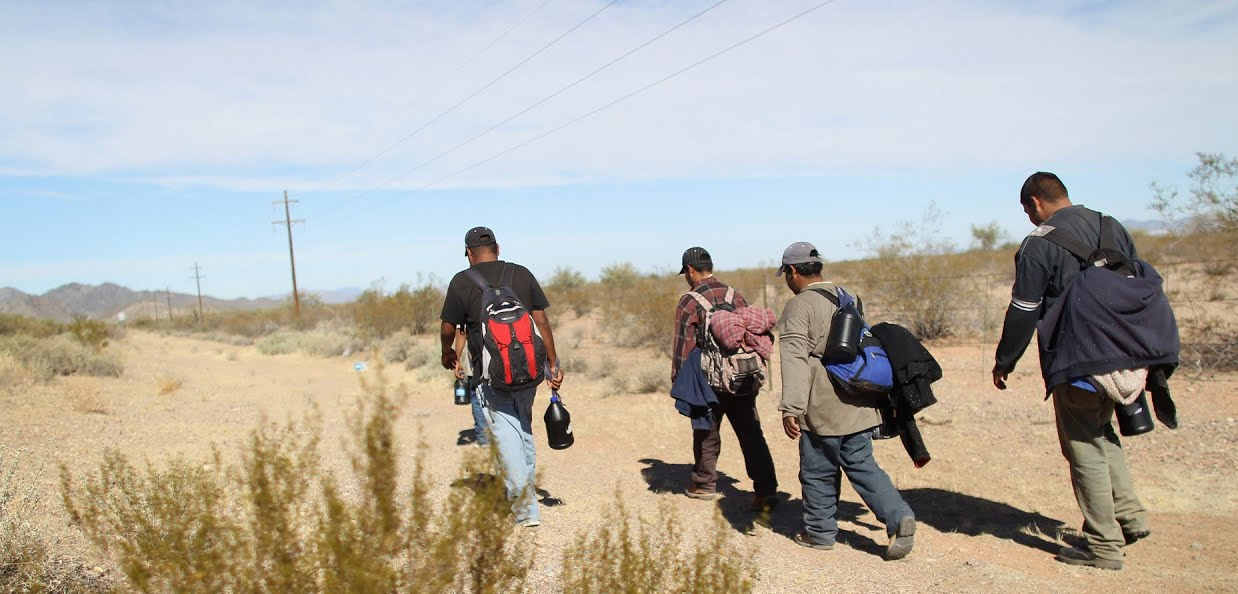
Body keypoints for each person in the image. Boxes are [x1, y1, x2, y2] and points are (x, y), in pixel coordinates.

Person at [992, 172, 1149, 570]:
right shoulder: (1110, 225)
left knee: (1083, 449)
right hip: (1127, 351)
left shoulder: (1039, 243)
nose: (1029, 217)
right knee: (1101, 430)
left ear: (1035, 203)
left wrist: (1005, 360)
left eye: (1027, 210)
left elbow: (1025, 309)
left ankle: (1103, 546)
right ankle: (1128, 516)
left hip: (1078, 359)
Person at [775, 241, 916, 560]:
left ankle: (819, 532)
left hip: (824, 405)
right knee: (863, 465)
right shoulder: (847, 295)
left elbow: (795, 358)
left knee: (817, 469)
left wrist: (791, 408)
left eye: (786, 273)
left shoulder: (799, 306)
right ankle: (898, 515)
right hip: (860, 401)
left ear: (793, 271)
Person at [439, 226, 564, 527]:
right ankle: (527, 492)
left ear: (468, 252)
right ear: (498, 247)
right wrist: (553, 363)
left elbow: (448, 327)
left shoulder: (461, 281)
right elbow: (542, 321)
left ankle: (525, 509)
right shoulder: (520, 273)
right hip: (530, 370)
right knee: (523, 428)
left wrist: (447, 353)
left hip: (490, 377)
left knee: (507, 436)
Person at [671, 246, 778, 511]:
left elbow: (683, 345)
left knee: (706, 428)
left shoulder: (689, 300)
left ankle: (704, 483)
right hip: (741, 375)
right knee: (751, 432)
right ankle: (766, 490)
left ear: (690, 270)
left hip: (708, 376)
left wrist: (679, 380)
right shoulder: (734, 294)